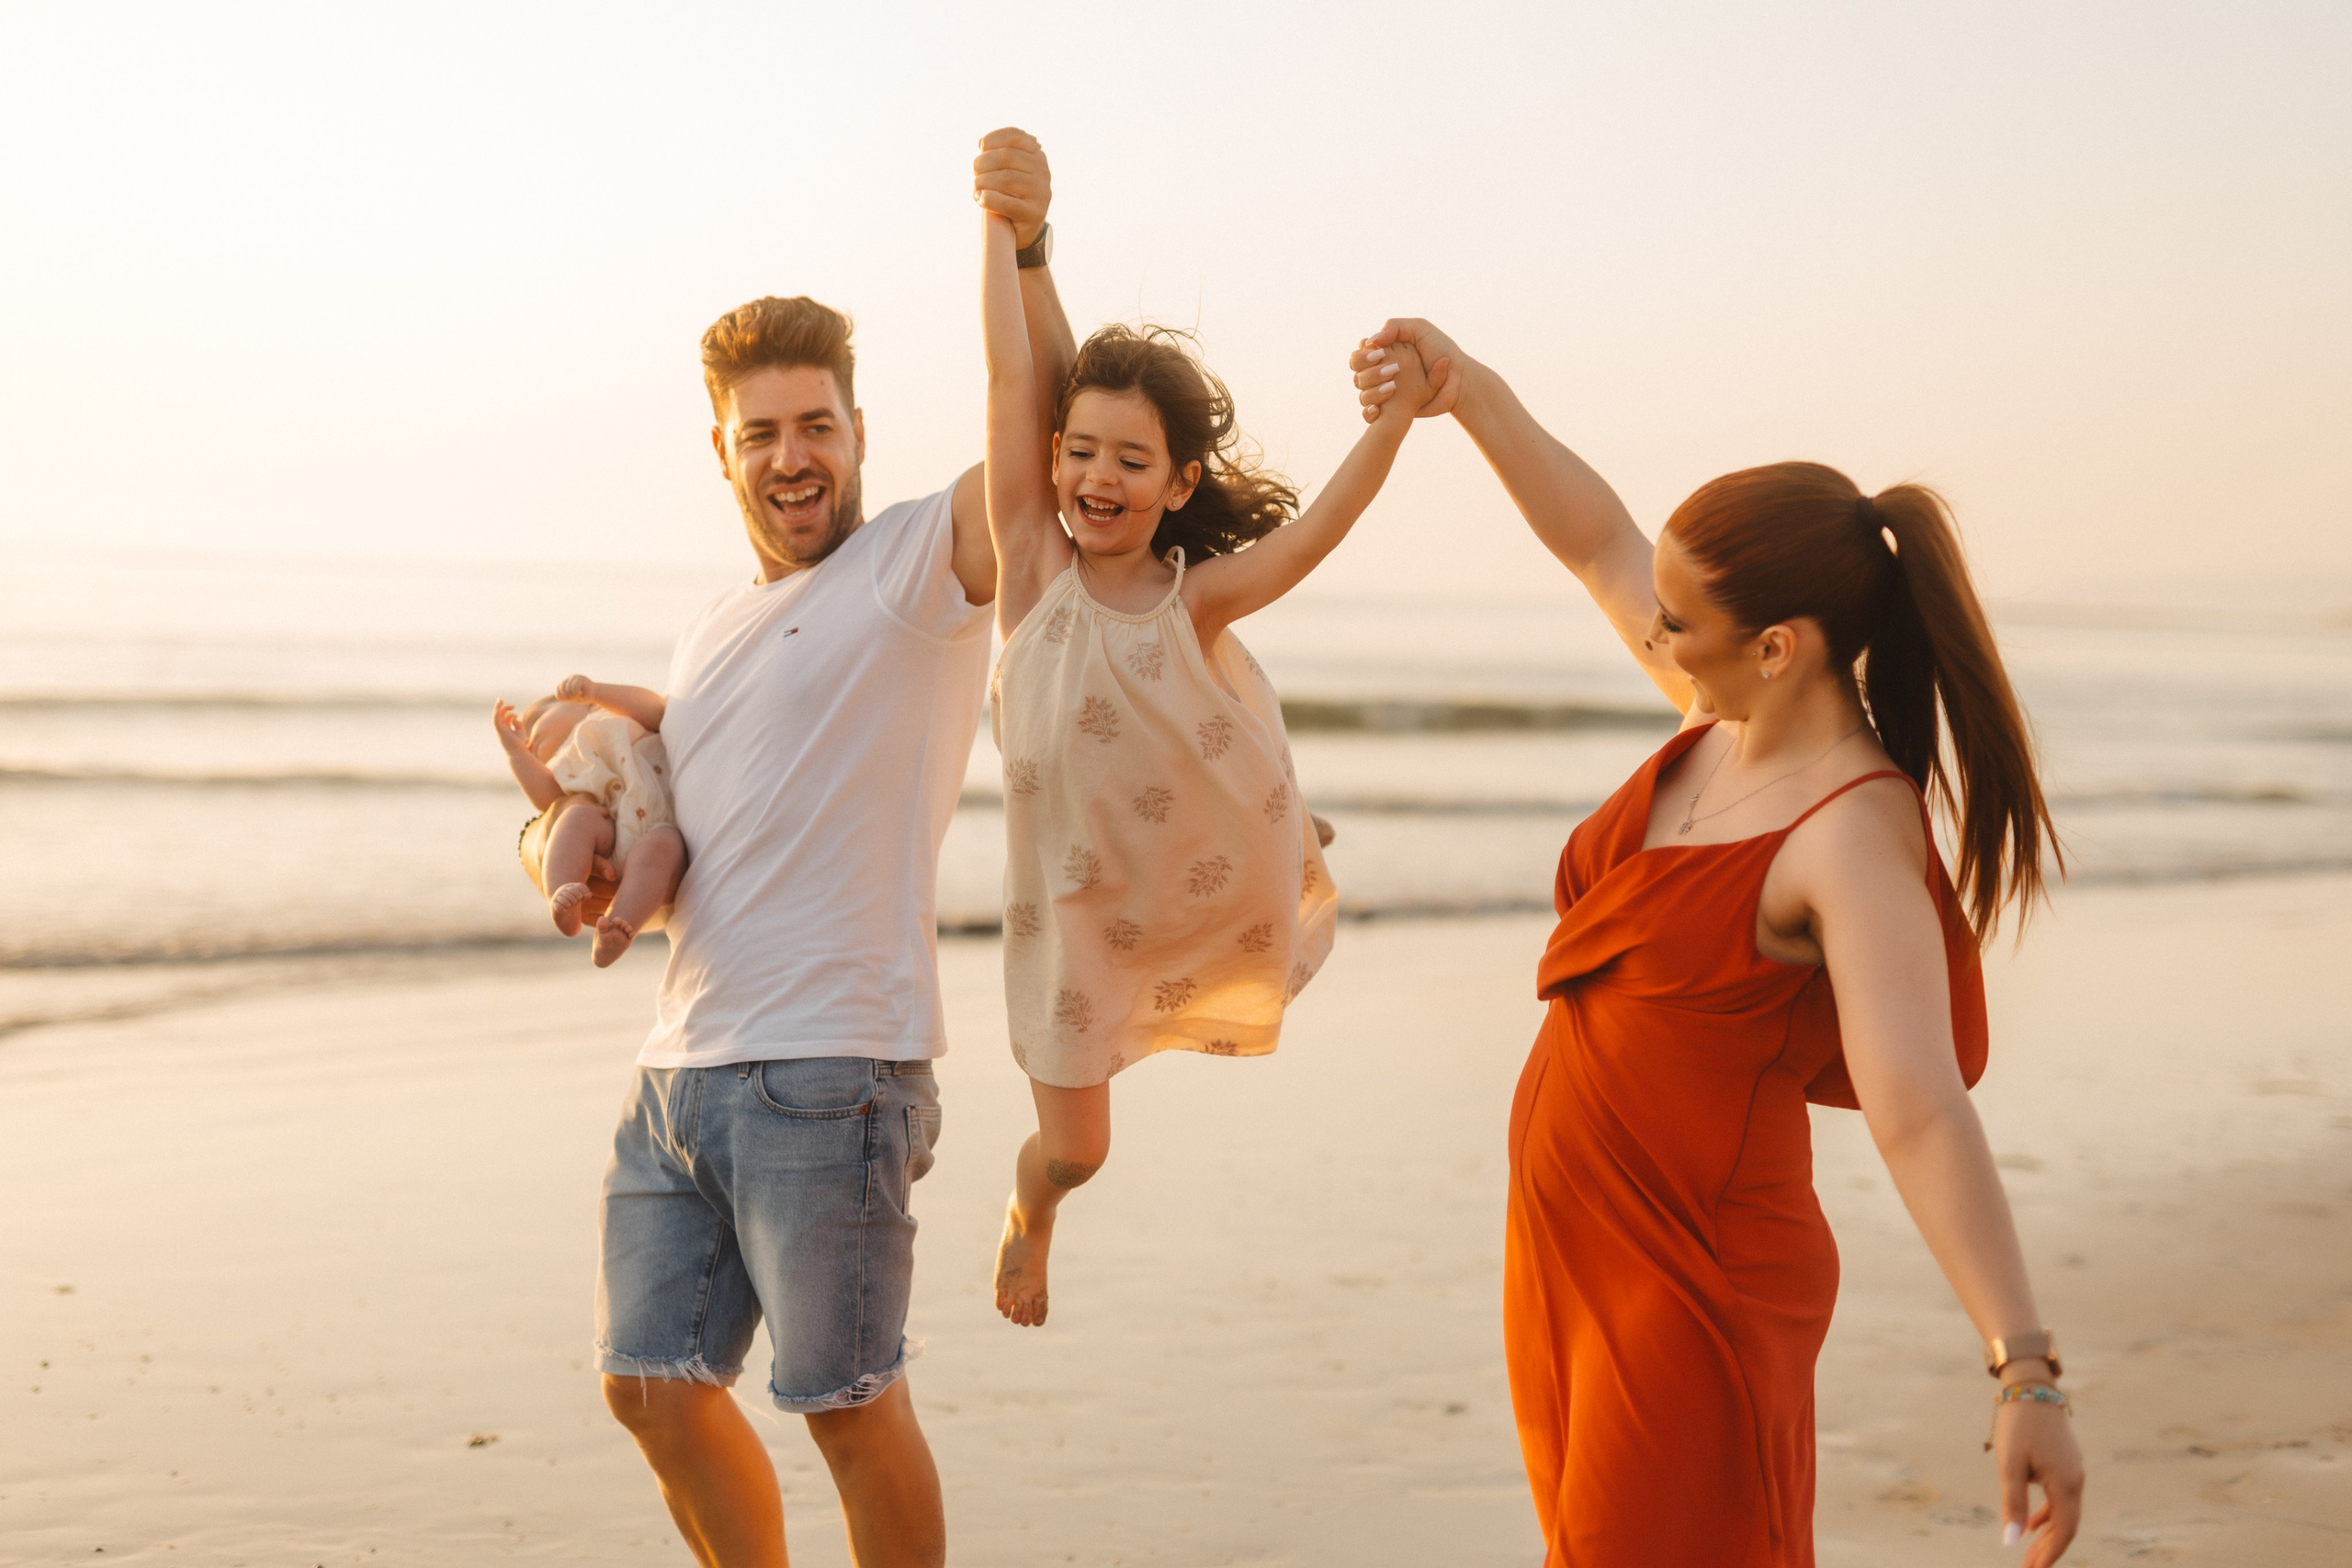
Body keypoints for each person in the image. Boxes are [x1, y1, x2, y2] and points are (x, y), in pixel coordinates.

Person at [1351, 324, 2086, 1567]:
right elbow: (1595, 536)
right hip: (1572, 1250)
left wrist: (2025, 1369)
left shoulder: (1849, 835)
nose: (1654, 629)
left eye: (1679, 618)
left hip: (1694, 1279)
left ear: (1778, 646)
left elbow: (1920, 1109)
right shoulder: (1715, 712)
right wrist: (1468, 392)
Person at [591, 130, 1073, 1568]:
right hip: (681, 1070)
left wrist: (1024, 250)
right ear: (723, 450)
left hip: (832, 1071)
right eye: (761, 433)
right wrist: (586, 812)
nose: (791, 457)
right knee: (649, 1385)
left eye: (816, 425)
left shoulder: (917, 566)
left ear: (859, 430)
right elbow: (692, 837)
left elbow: (1042, 434)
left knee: (849, 1407)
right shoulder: (710, 629)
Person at [976, 206, 1432, 1326]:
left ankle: (1278, 825)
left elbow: (1314, 533)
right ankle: (1030, 1210)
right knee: (1076, 1153)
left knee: (1236, 817)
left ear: (1178, 485)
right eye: (1081, 451)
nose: (1100, 477)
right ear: (1052, 458)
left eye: (1131, 461)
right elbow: (1009, 380)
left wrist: (1395, 422)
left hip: (1165, 860)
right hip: (1070, 919)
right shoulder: (1030, 567)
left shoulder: (1194, 602)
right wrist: (1003, 232)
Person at [493, 676, 684, 966]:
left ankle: (618, 926)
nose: (529, 742)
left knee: (663, 846)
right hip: (610, 832)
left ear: (578, 705)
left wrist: (597, 691)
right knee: (575, 819)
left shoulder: (614, 716)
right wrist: (515, 753)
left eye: (535, 723)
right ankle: (562, 894)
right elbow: (549, 800)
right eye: (526, 743)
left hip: (659, 829)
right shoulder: (566, 765)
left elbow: (657, 711)